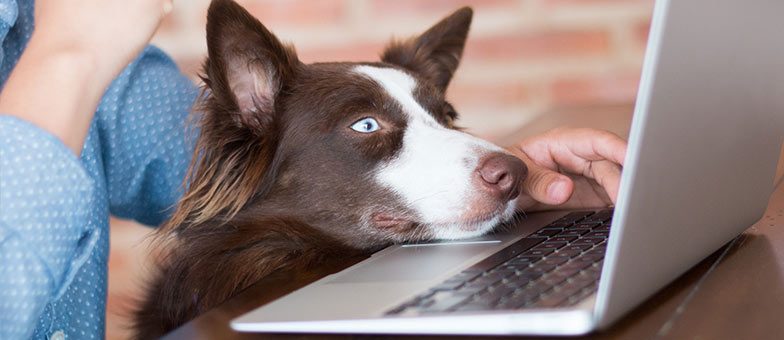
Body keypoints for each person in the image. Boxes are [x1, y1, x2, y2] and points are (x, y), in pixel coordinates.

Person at [0, 0, 626, 339]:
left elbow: (243, 179)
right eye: (367, 126)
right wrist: (69, 56)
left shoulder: (31, 23)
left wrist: (518, 178)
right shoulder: (61, 36)